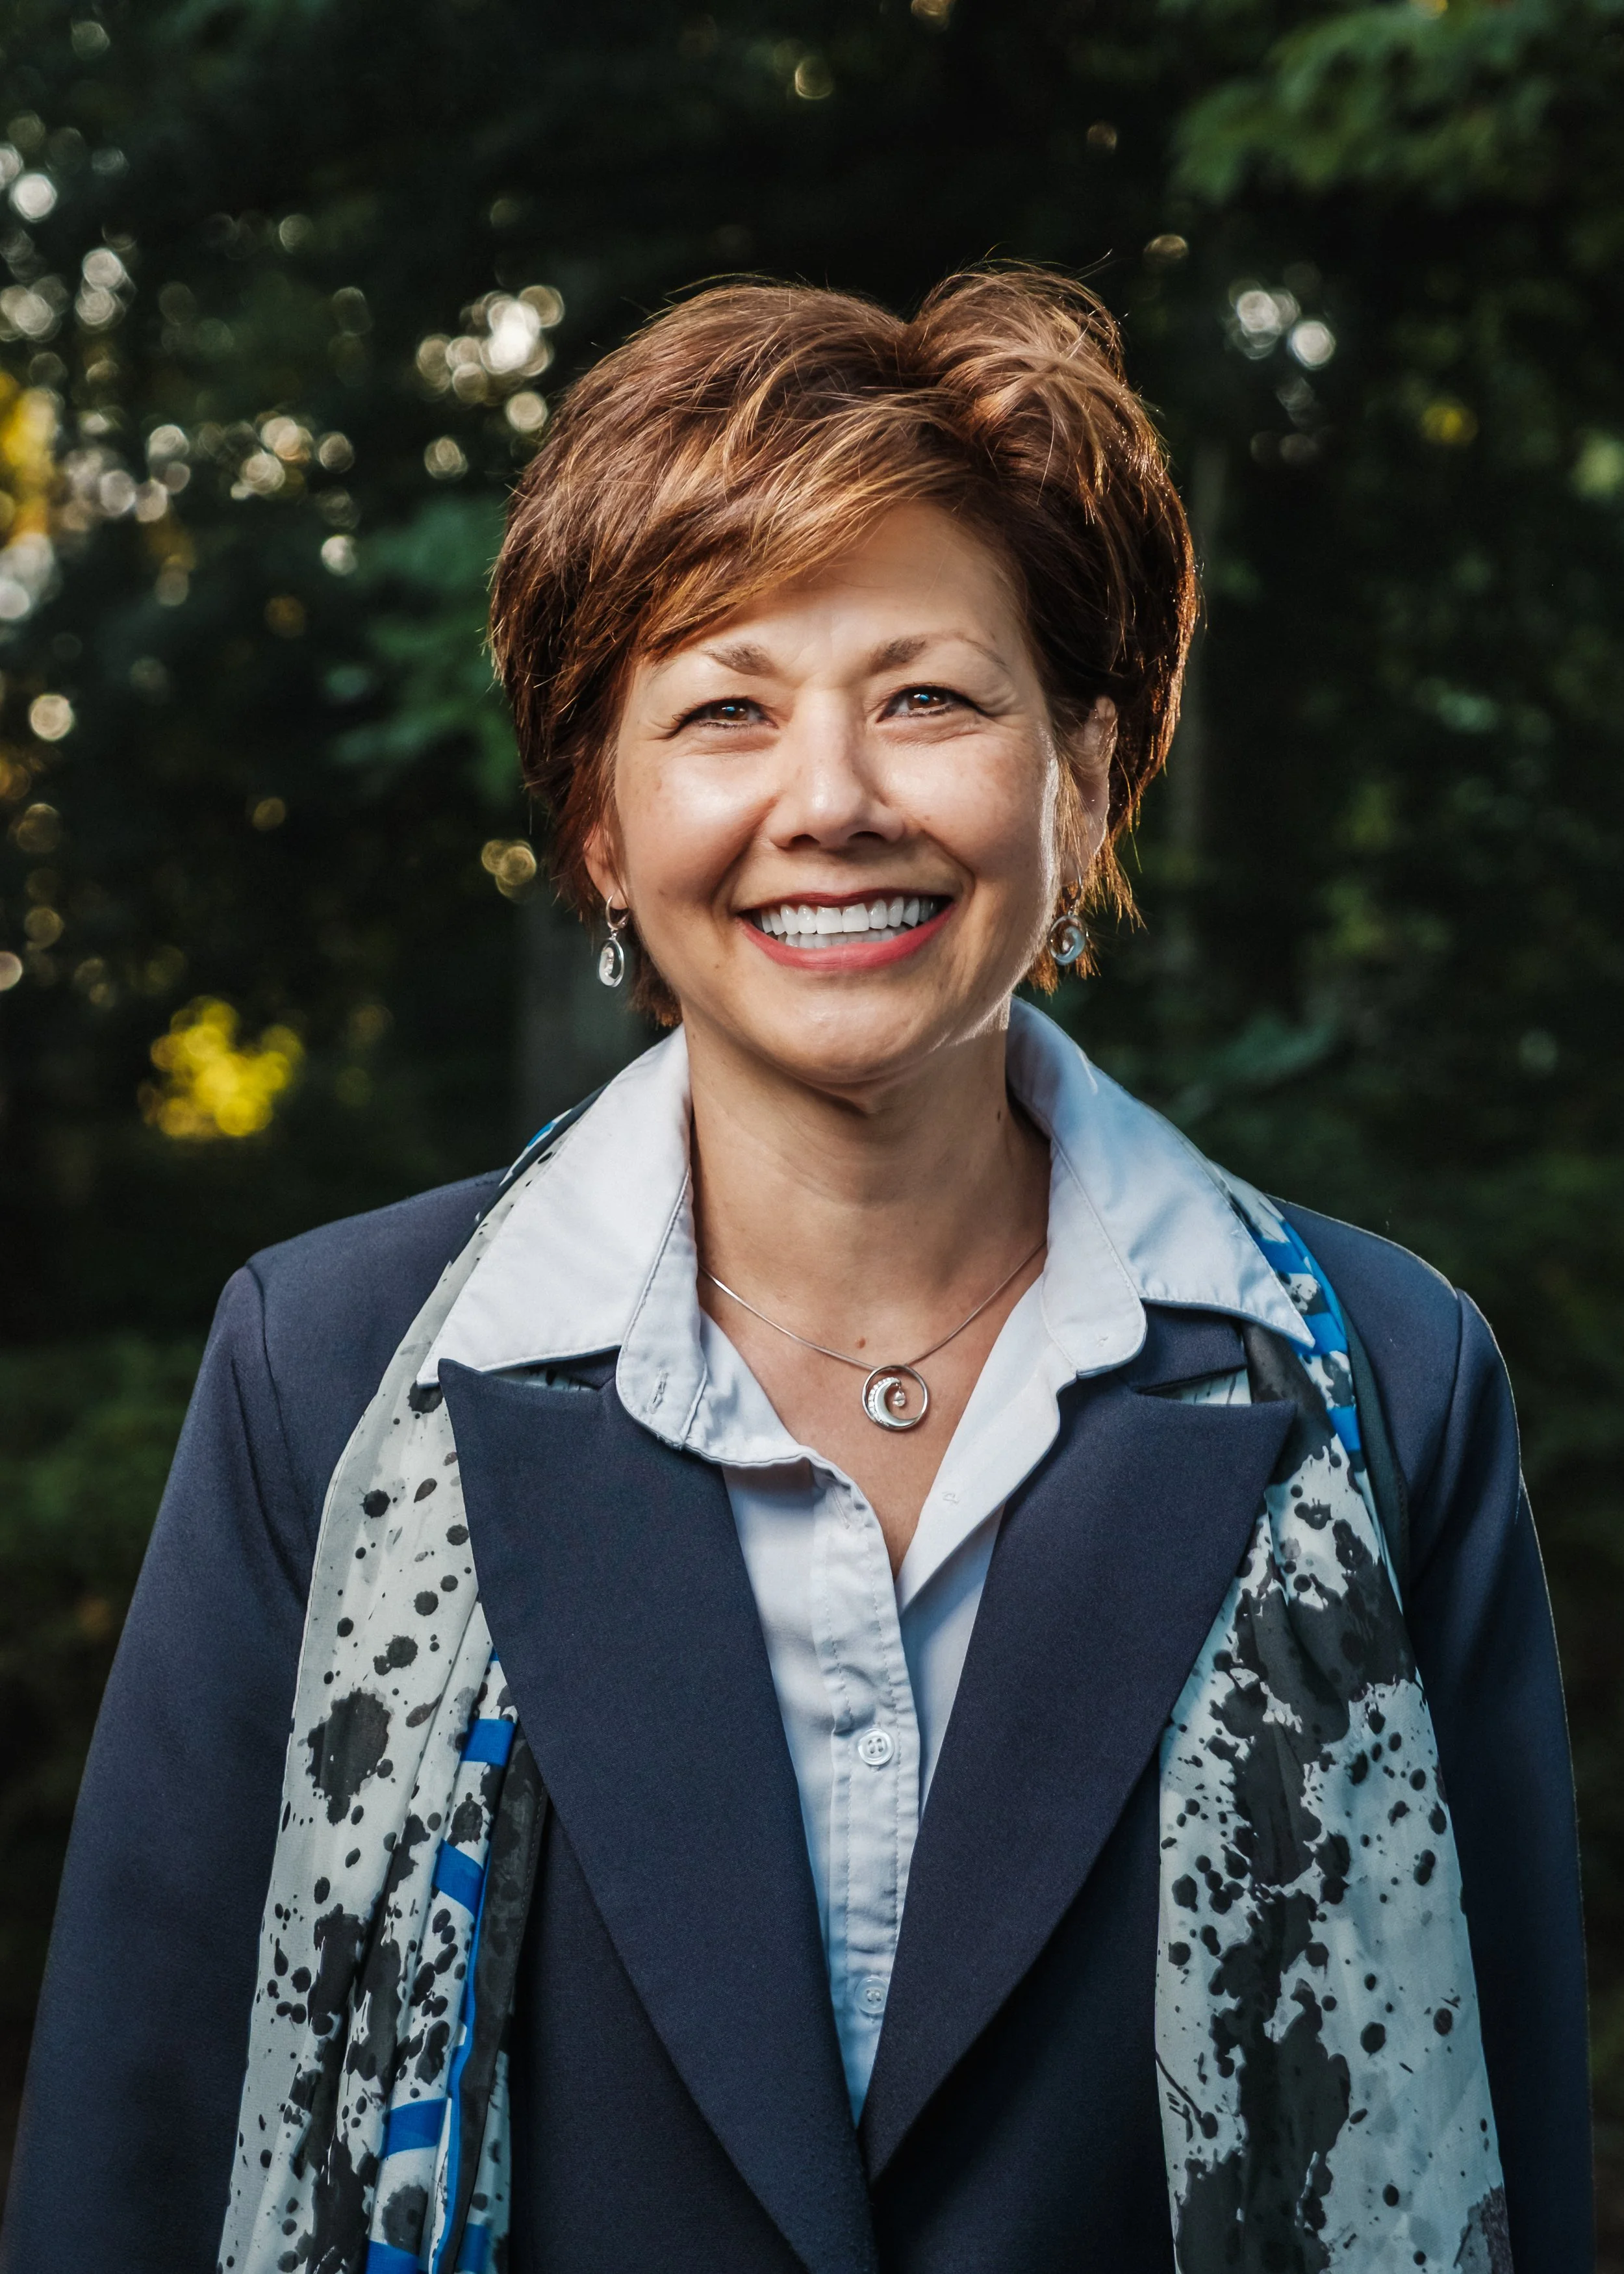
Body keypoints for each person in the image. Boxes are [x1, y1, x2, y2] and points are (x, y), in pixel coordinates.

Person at [1, 272, 1590, 2274]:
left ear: (1080, 772)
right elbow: (129, 2169)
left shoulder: (1377, 1375)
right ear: (599, 814)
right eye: (723, 708)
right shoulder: (322, 1369)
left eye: (926, 695)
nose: (829, 797)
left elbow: (1505, 2161)